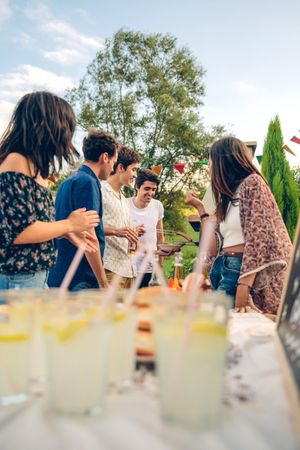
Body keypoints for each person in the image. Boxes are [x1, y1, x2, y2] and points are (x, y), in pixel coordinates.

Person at [0, 91, 100, 290]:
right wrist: (69, 224)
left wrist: (64, 232)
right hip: (18, 279)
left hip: (34, 276)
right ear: (48, 125)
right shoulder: (16, 161)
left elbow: (32, 224)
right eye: (67, 126)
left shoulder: (32, 164)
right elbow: (20, 231)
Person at [185, 136, 292, 314]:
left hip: (241, 270)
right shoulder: (226, 196)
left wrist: (243, 286)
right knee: (219, 329)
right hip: (222, 267)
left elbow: (261, 237)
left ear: (224, 160)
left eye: (211, 161)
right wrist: (201, 208)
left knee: (226, 328)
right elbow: (212, 249)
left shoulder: (253, 183)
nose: (209, 167)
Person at [48, 129, 119, 291]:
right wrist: (103, 283)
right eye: (114, 162)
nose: (112, 168)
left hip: (60, 273)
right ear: (105, 157)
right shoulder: (88, 183)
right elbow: (89, 238)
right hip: (79, 279)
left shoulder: (68, 181)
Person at [102, 145, 141, 288]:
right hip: (109, 270)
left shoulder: (124, 199)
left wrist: (133, 233)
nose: (135, 175)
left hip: (128, 270)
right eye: (133, 169)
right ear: (120, 168)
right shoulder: (100, 191)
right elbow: (88, 228)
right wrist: (117, 231)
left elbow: (122, 232)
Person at [128, 168, 164, 288]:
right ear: (137, 187)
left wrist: (160, 266)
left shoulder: (158, 206)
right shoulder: (125, 205)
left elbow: (160, 236)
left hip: (151, 267)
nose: (151, 193)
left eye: (153, 189)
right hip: (131, 267)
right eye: (147, 189)